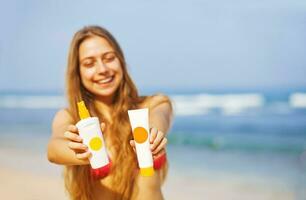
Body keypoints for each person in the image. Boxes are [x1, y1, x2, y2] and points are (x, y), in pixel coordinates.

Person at [47, 25, 173, 200]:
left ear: (121, 61)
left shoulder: (154, 104)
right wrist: (80, 151)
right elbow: (54, 149)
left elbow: (159, 119)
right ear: (78, 72)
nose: (102, 69)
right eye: (89, 63)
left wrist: (151, 136)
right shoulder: (70, 117)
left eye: (109, 58)